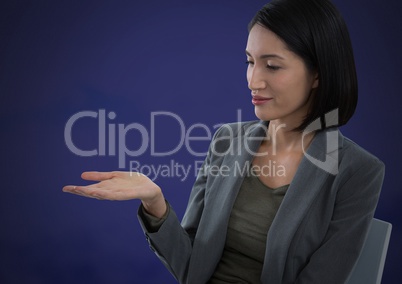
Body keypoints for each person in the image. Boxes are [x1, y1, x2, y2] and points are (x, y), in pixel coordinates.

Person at [63, 0, 385, 283]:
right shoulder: (226, 140)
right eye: (249, 61)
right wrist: (155, 202)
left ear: (317, 74)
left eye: (272, 65)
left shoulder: (358, 172)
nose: (253, 80)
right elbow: (190, 268)